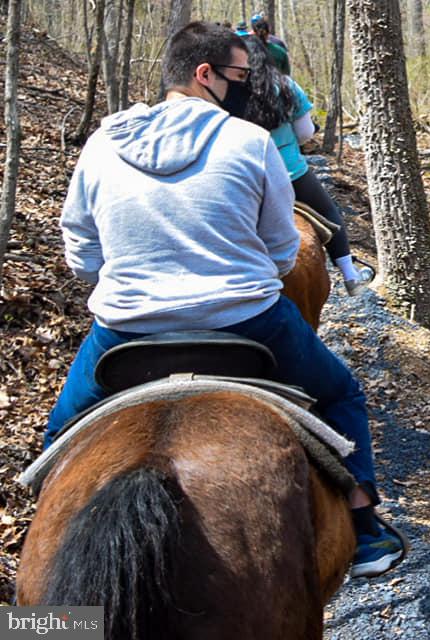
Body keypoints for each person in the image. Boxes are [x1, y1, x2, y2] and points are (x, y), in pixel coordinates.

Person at [49, 21, 404, 579]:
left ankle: (41, 561)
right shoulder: (250, 142)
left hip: (125, 331)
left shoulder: (102, 142)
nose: (248, 85)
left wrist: (129, 280)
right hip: (248, 322)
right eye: (240, 75)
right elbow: (283, 251)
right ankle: (366, 534)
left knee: (57, 441)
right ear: (205, 74)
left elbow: (80, 255)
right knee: (341, 395)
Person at [240, 35, 373, 296]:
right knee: (330, 214)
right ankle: (350, 276)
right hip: (290, 171)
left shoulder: (233, 90)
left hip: (248, 171)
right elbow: (304, 133)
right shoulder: (286, 85)